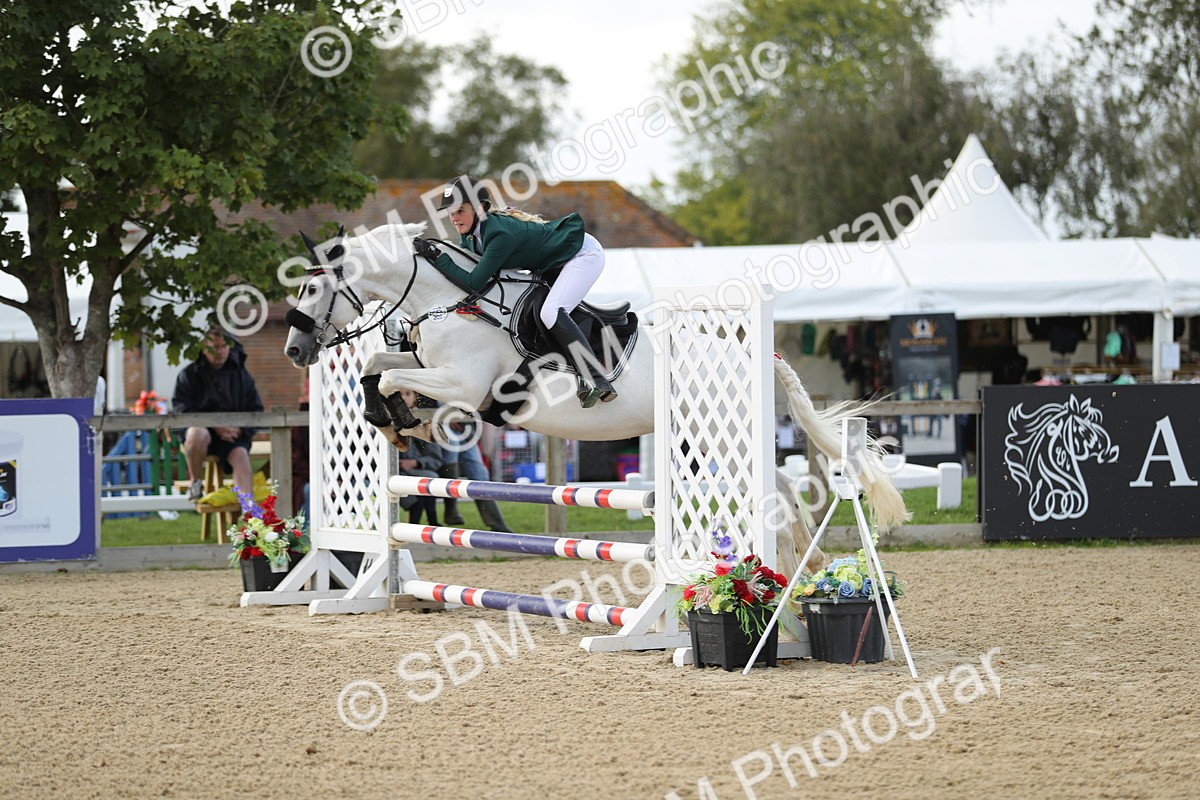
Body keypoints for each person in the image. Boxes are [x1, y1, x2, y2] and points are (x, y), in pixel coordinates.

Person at [413, 175, 617, 409]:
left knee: (551, 312)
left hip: (582, 255)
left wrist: (438, 256)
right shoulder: (473, 231)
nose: (454, 218)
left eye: (460, 210)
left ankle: (597, 378)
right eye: (450, 212)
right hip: (555, 262)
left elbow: (474, 281)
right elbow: (464, 266)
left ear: (480, 208)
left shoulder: (499, 234)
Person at [172, 328, 264, 503]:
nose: (220, 351)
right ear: (204, 348)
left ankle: (249, 514)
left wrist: (241, 430)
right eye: (215, 347)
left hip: (233, 437)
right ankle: (196, 483)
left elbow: (256, 410)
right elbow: (181, 410)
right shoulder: (189, 375)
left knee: (241, 456)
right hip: (201, 436)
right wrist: (214, 426)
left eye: (224, 346)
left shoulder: (242, 375)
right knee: (197, 433)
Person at [395, 390, 444, 525]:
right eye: (399, 395)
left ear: (416, 397)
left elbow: (436, 458)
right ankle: (427, 522)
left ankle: (429, 520)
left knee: (428, 478)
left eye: (407, 394)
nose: (403, 398)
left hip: (416, 470)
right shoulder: (387, 419)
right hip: (392, 470)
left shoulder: (424, 421)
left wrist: (415, 462)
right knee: (426, 480)